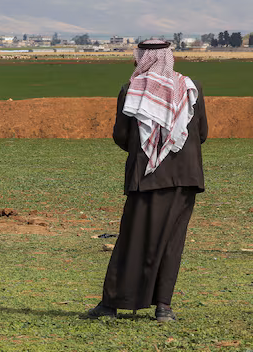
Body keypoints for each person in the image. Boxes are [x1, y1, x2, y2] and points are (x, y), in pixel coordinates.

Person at [86, 40, 207, 322]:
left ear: (141, 58)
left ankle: (111, 305)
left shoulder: (132, 91)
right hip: (185, 178)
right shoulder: (191, 88)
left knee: (132, 239)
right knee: (171, 242)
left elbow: (122, 136)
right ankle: (163, 307)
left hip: (147, 177)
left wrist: (148, 151)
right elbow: (201, 133)